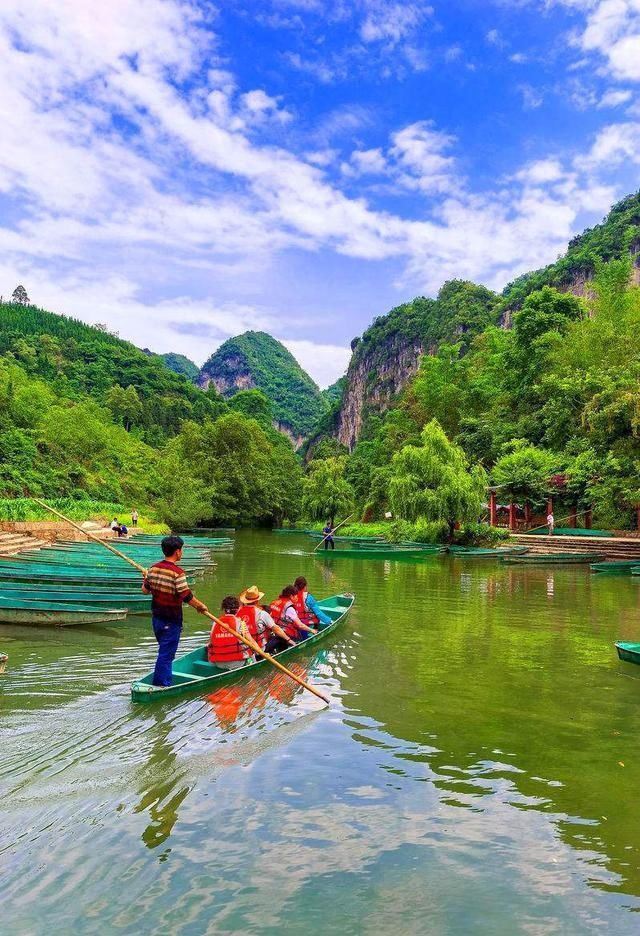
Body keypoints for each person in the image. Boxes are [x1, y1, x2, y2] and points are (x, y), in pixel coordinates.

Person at [142, 534, 208, 686]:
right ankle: (162, 685)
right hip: (171, 621)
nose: (182, 552)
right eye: (182, 550)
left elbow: (145, 590)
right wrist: (200, 606)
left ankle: (164, 679)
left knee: (165, 652)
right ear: (177, 551)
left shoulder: (153, 569)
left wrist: (145, 578)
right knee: (166, 655)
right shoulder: (177, 573)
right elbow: (186, 595)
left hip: (156, 619)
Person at [238, 585, 295, 651]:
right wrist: (289, 639)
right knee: (281, 637)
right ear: (257, 601)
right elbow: (276, 629)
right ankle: (279, 655)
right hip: (259, 649)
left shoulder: (237, 613)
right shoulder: (262, 613)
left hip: (244, 649)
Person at [208, 595, 256, 671]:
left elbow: (210, 642)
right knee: (252, 651)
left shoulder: (216, 622)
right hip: (236, 663)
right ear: (237, 609)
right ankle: (254, 669)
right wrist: (261, 653)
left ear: (224, 609)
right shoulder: (240, 623)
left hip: (218, 663)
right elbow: (252, 642)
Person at [268, 585, 317, 653]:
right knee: (301, 628)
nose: (297, 597)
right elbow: (300, 625)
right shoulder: (289, 608)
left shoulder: (275, 602)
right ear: (291, 596)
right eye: (296, 596)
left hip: (275, 632)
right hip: (286, 635)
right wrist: (312, 630)